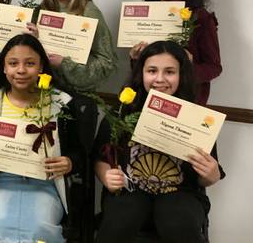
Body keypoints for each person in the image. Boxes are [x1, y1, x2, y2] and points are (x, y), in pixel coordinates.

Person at [95, 40, 224, 242]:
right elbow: (101, 157)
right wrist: (106, 176)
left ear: (182, 75)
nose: (160, 79)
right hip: (131, 189)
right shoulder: (122, 111)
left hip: (181, 193)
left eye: (170, 72)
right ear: (141, 73)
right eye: (152, 71)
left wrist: (211, 175)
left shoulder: (196, 118)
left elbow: (206, 177)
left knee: (176, 221)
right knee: (122, 219)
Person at [0, 34, 85, 243]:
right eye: (13, 63)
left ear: (41, 67)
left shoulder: (61, 102)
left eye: (30, 63)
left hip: (46, 184)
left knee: (39, 229)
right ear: (3, 68)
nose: (21, 70)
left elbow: (80, 153)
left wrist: (69, 163)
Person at [130, 0, 221, 106]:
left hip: (185, 104)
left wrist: (189, 64)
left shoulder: (200, 17)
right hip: (148, 98)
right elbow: (141, 71)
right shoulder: (144, 14)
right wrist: (136, 58)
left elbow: (214, 67)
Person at [36, 0, 117, 93]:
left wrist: (64, 64)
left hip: (76, 98)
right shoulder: (39, 10)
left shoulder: (90, 13)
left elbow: (107, 65)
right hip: (39, 93)